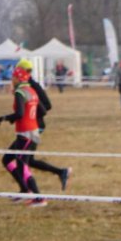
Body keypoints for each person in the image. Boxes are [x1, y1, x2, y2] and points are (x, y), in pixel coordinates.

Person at [0, 66, 47, 207]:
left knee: (23, 166)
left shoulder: (20, 92)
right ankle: (25, 190)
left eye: (13, 78)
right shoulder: (31, 91)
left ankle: (39, 198)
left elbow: (20, 114)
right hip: (31, 132)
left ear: (18, 78)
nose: (12, 80)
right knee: (7, 159)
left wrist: (3, 118)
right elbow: (42, 110)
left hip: (26, 134)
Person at [15, 58, 72, 191]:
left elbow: (47, 106)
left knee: (19, 159)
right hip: (30, 127)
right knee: (27, 160)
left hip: (34, 126)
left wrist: (31, 112)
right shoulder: (24, 85)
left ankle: (32, 194)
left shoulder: (32, 86)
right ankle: (60, 172)